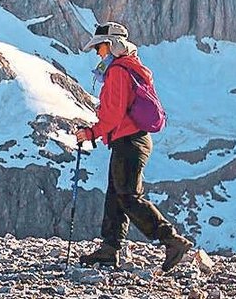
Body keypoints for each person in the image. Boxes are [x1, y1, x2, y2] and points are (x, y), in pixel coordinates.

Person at [74, 21, 193, 272]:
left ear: (113, 45)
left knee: (128, 196)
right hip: (129, 141)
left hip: (128, 141)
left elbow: (114, 114)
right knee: (116, 195)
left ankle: (171, 239)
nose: (98, 53)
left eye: (100, 47)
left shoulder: (118, 71)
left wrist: (91, 133)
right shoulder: (130, 69)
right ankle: (109, 249)